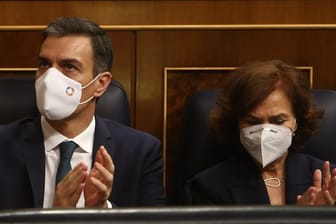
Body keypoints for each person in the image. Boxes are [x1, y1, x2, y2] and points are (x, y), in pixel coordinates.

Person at [0, 17, 165, 209]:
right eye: (44, 64)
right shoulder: (3, 146)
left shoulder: (141, 152)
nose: (49, 78)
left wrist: (103, 211)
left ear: (100, 84)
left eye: (69, 67)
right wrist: (51, 219)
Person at [190, 60, 336, 206]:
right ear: (236, 123)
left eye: (278, 121)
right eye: (252, 121)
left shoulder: (328, 181)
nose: (264, 132)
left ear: (296, 122)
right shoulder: (210, 186)